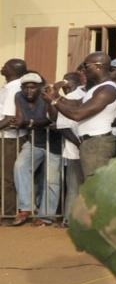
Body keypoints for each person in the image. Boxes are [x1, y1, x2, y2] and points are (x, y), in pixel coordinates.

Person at [46, 53, 116, 179]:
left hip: (97, 144)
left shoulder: (107, 89)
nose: (83, 70)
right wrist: (56, 96)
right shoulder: (96, 88)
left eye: (86, 66)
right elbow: (77, 104)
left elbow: (78, 114)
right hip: (92, 143)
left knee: (96, 188)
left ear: (98, 67)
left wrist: (54, 101)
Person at [10, 73, 63, 226]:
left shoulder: (47, 95)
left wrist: (29, 122)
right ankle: (26, 207)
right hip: (35, 140)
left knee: (51, 180)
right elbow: (20, 118)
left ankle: (46, 216)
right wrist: (20, 122)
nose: (29, 91)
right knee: (20, 166)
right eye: (26, 87)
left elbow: (51, 119)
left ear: (39, 87)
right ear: (21, 88)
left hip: (54, 142)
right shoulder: (18, 96)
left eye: (32, 87)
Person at [54, 72, 85, 228]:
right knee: (74, 187)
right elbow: (63, 127)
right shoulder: (72, 97)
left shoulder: (96, 94)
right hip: (75, 150)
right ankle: (68, 220)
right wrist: (80, 144)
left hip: (95, 150)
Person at [0, 59, 27, 217]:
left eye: (6, 66)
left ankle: (8, 213)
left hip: (9, 138)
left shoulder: (14, 88)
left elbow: (9, 117)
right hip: (5, 136)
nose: (3, 67)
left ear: (14, 70)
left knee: (7, 177)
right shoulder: (8, 87)